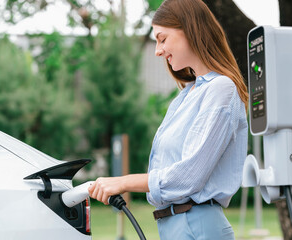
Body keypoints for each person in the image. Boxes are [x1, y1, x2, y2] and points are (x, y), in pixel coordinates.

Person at [88, 0, 248, 239]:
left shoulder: (220, 89)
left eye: (163, 39)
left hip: (198, 226)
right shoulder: (184, 97)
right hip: (174, 226)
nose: (157, 50)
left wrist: (123, 182)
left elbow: (188, 177)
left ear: (190, 29)